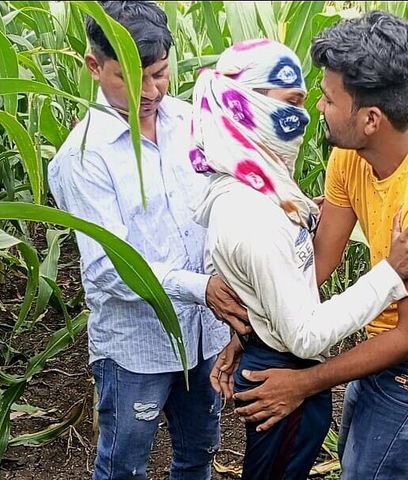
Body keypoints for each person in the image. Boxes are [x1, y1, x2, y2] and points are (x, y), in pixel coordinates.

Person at [231, 11, 408, 479]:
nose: (317, 107)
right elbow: (319, 263)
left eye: (330, 99)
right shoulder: (349, 156)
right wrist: (247, 327)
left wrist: (305, 383)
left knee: (368, 473)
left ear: (371, 119)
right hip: (381, 334)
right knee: (356, 462)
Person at [47, 2, 238, 478]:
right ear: (94, 66)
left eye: (161, 73)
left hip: (205, 336)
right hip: (137, 348)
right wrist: (201, 288)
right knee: (124, 468)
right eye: (133, 80)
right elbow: (108, 269)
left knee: (199, 454)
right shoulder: (84, 158)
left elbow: (226, 195)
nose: (152, 91)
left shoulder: (192, 121)